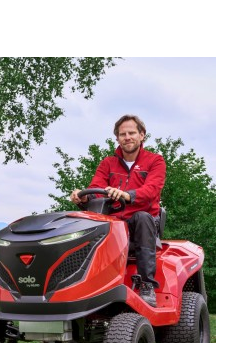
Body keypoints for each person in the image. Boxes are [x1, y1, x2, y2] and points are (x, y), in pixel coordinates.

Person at [70, 114, 166, 307]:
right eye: (123, 134)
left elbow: (151, 191)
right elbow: (96, 188)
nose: (127, 137)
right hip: (114, 223)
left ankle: (147, 284)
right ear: (117, 138)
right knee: (82, 222)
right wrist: (84, 197)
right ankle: (80, 283)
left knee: (142, 217)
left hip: (143, 224)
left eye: (132, 133)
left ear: (142, 135)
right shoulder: (108, 163)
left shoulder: (155, 161)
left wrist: (126, 195)